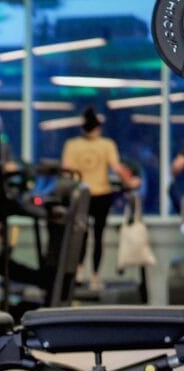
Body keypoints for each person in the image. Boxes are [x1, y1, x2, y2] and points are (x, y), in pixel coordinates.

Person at [61, 107, 140, 291]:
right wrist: (131, 182)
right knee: (97, 236)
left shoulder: (73, 145)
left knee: (82, 235)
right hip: (95, 195)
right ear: (98, 128)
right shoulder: (106, 144)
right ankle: (92, 275)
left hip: (85, 194)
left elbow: (66, 170)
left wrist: (127, 181)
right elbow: (117, 168)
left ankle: (82, 272)